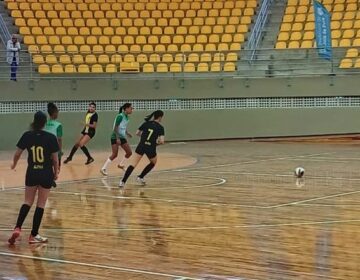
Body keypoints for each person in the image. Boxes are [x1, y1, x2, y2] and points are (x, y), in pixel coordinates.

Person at [8, 111, 59, 245]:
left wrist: (14, 163)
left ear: (34, 122)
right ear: (45, 123)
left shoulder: (27, 135)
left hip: (32, 172)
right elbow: (55, 159)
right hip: (46, 173)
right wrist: (56, 172)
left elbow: (18, 153)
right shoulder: (51, 137)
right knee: (41, 204)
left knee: (27, 201)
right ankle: (33, 235)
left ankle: (18, 227)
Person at [119, 110, 165, 188]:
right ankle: (140, 177)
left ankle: (122, 182)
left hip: (141, 145)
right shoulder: (160, 127)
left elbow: (137, 133)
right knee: (153, 162)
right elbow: (161, 141)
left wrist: (144, 137)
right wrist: (154, 143)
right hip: (151, 147)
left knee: (133, 164)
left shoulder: (146, 123)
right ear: (160, 117)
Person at [101, 103, 133, 176]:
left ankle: (121, 164)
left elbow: (123, 126)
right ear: (126, 109)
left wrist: (127, 133)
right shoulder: (120, 116)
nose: (132, 110)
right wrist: (117, 138)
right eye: (131, 108)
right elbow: (115, 128)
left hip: (122, 137)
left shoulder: (127, 117)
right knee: (115, 154)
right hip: (115, 136)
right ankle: (103, 168)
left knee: (129, 152)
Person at [44, 102, 63, 170]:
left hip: (45, 150)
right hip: (54, 150)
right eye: (57, 112)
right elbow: (59, 139)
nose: (58, 114)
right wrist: (60, 151)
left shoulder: (45, 124)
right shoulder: (58, 125)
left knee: (47, 169)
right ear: (55, 113)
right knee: (56, 170)